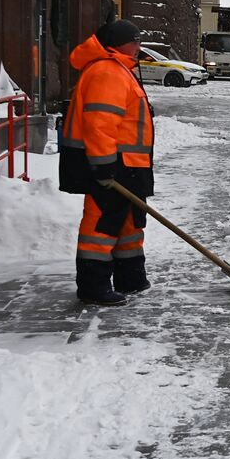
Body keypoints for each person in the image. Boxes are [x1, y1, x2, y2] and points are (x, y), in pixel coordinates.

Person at [58, 19, 155, 306]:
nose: (139, 47)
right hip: (114, 164)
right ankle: (93, 284)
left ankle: (130, 276)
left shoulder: (119, 69)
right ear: (118, 44)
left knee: (128, 221)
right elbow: (100, 124)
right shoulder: (107, 72)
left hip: (129, 163)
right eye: (134, 41)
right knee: (101, 223)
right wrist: (103, 165)